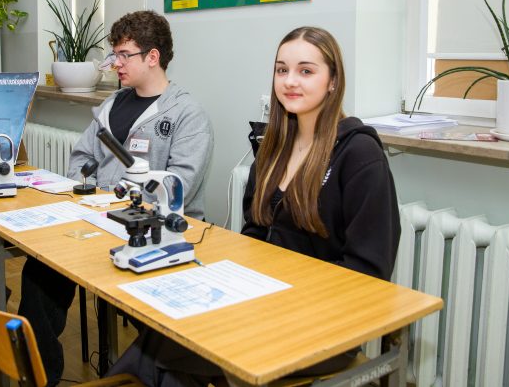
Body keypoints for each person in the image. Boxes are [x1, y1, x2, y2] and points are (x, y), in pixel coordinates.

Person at [106, 26, 400, 387]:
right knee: (169, 335)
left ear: (333, 81)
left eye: (306, 71)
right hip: (265, 301)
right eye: (282, 70)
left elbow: (369, 273)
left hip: (326, 321)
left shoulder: (360, 155)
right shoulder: (274, 147)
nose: (290, 81)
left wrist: (283, 298)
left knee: (166, 351)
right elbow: (255, 232)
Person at [19, 10, 214, 386]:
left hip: (158, 234)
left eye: (124, 55)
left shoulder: (187, 115)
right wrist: (92, 193)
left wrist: (123, 202)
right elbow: (81, 158)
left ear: (152, 57)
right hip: (99, 222)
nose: (116, 64)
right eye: (115, 54)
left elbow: (180, 186)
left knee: (159, 327)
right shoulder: (111, 105)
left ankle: (140, 374)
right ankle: (41, 376)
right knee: (40, 273)